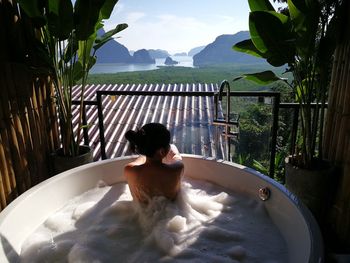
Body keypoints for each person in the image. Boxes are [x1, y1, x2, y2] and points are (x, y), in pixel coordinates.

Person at [124, 123, 184, 204]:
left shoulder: (129, 170)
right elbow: (176, 156)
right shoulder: (177, 169)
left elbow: (141, 159)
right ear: (162, 151)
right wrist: (171, 147)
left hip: (142, 215)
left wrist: (147, 151)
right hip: (171, 214)